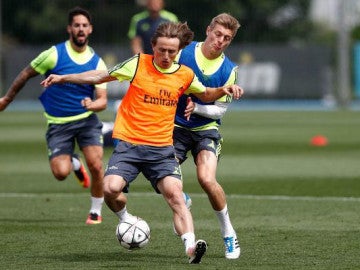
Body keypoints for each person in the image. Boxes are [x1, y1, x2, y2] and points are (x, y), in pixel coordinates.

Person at [41, 21, 244, 264]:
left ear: (177, 50)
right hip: (130, 144)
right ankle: (126, 217)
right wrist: (64, 78)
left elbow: (205, 94)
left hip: (162, 148)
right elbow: (100, 75)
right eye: (162, 51)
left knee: (178, 194)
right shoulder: (137, 64)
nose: (167, 56)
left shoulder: (185, 74)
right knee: (109, 188)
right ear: (153, 47)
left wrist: (223, 89)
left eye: (171, 51)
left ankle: (192, 246)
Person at [0, 7, 107, 225]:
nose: (80, 29)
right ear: (69, 28)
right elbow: (25, 74)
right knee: (60, 173)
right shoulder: (54, 54)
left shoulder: (97, 62)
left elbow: (103, 100)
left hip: (87, 121)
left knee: (96, 165)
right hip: (59, 125)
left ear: (90, 29)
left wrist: (93, 105)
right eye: (76, 25)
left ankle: (95, 211)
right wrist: (7, 99)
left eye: (84, 25)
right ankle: (74, 163)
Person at [173, 13, 242, 259]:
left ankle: (228, 233)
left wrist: (198, 108)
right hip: (175, 128)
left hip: (205, 130)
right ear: (208, 30)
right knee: (162, 179)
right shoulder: (182, 52)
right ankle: (181, 200)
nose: (221, 40)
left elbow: (220, 110)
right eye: (218, 34)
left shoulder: (228, 70)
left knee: (207, 179)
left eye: (227, 38)